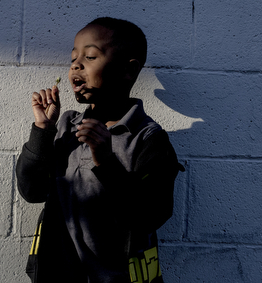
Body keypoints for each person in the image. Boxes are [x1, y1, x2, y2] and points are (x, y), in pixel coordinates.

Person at [16, 17, 183, 283]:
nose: (76, 64)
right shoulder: (66, 127)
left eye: (91, 56)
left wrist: (106, 162)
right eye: (74, 57)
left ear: (129, 70)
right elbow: (32, 191)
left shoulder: (147, 138)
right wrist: (43, 131)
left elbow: (152, 214)